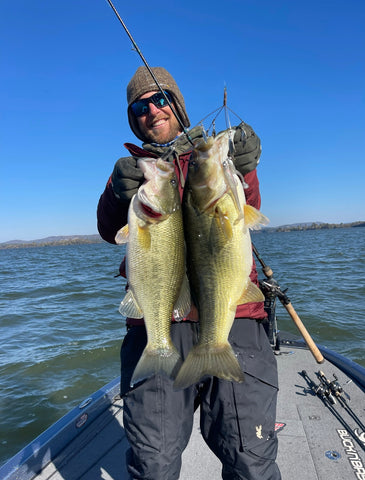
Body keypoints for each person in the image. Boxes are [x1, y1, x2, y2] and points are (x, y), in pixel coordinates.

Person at [97, 66, 281, 480]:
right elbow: (109, 228)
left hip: (235, 321)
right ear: (133, 118)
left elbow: (244, 202)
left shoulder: (212, 159)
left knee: (250, 458)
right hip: (160, 324)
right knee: (153, 465)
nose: (153, 110)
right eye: (140, 106)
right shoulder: (133, 172)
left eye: (161, 99)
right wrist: (115, 193)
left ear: (178, 105)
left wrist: (246, 168)